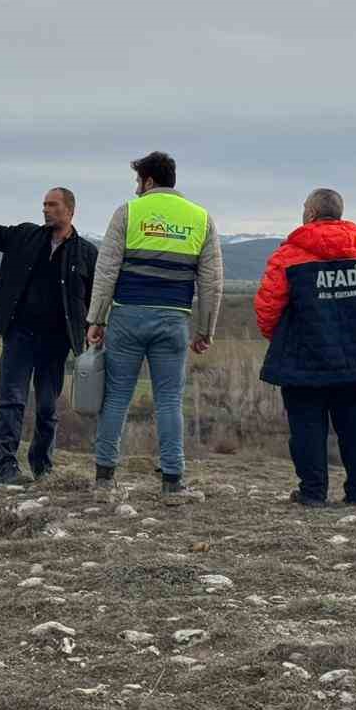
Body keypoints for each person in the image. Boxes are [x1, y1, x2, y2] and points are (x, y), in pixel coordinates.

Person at [0, 173, 99, 485]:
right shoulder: (25, 236)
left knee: (46, 407)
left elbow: (96, 298)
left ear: (70, 210)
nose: (45, 209)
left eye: (52, 205)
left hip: (57, 342)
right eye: (43, 204)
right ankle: (6, 467)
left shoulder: (86, 253)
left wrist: (96, 327)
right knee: (11, 400)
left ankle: (42, 467)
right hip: (20, 334)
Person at [85, 151, 222, 502]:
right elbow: (211, 283)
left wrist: (96, 319)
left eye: (137, 182)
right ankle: (172, 482)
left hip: (127, 316)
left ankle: (104, 479)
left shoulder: (127, 213)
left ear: (147, 181)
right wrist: (205, 329)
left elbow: (106, 271)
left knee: (116, 396)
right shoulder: (201, 219)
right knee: (169, 400)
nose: (136, 189)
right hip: (173, 319)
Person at [254, 188, 356, 507]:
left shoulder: (287, 256)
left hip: (303, 358)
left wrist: (284, 340)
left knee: (306, 427)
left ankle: (312, 493)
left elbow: (267, 310)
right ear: (339, 213)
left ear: (310, 214)